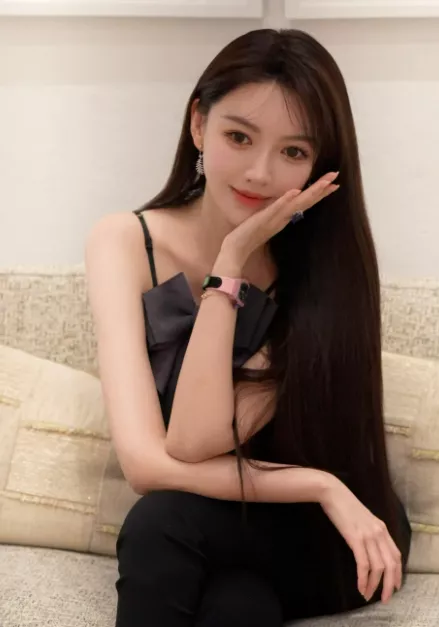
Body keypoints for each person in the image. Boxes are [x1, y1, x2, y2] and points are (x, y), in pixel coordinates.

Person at [85, 28, 412, 627]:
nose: (261, 173)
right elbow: (148, 464)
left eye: (294, 152)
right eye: (239, 137)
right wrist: (316, 483)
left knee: (161, 524)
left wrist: (228, 271)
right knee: (236, 605)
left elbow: (190, 442)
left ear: (320, 166)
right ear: (199, 125)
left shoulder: (319, 273)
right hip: (262, 508)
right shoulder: (125, 242)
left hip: (338, 535)